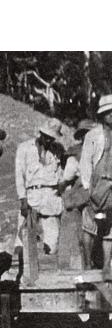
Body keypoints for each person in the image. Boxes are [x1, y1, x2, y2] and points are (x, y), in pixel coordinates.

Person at [14, 118, 66, 256]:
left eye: (52, 138)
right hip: (32, 197)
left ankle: (47, 273)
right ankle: (17, 273)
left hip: (51, 199)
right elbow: (19, 176)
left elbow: (63, 175)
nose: (49, 140)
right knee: (23, 240)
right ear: (41, 133)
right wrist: (23, 199)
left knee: (52, 243)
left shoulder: (58, 150)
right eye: (46, 136)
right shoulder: (24, 148)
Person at [79, 94, 112, 278]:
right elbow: (85, 163)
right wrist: (87, 187)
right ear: (103, 115)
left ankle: (107, 268)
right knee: (90, 224)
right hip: (97, 184)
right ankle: (87, 266)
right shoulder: (93, 136)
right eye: (109, 113)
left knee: (110, 227)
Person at [61, 119, 96, 267]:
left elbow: (68, 176)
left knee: (88, 230)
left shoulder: (75, 154)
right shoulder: (104, 149)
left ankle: (88, 263)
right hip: (104, 194)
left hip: (87, 196)